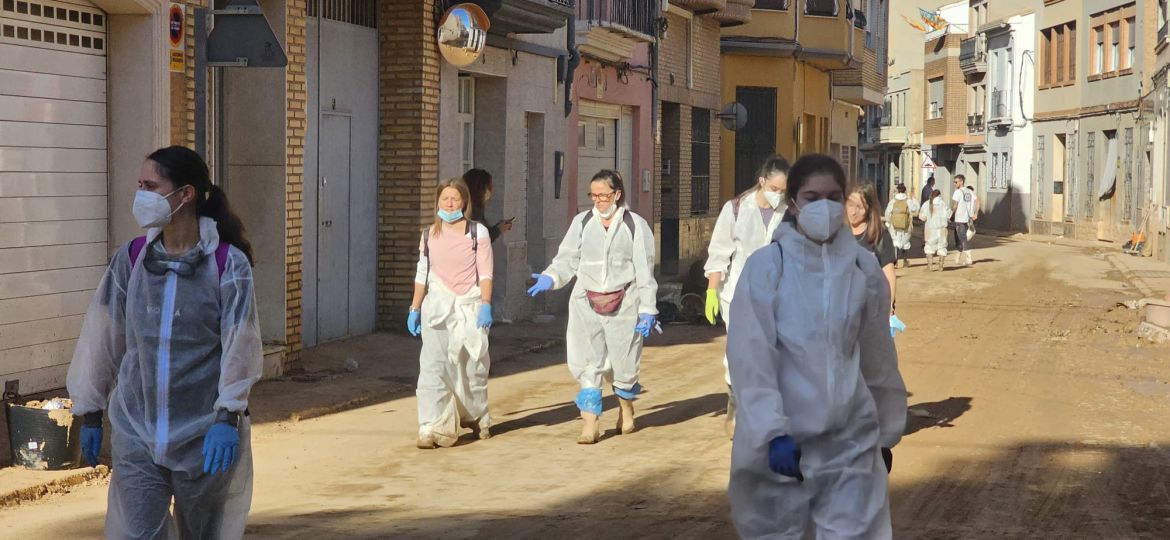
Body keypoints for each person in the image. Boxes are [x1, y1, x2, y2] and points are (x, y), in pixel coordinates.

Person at [67, 146, 261, 539]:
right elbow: (102, 336)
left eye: (151, 186)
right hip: (136, 430)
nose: (141, 195)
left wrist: (227, 414)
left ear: (186, 194)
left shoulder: (226, 264)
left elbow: (240, 343)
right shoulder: (132, 259)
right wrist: (90, 410)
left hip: (205, 436)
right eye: (140, 185)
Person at [726, 153, 907, 539]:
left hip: (849, 438)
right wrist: (771, 431)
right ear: (793, 203)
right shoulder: (767, 268)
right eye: (812, 197)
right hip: (782, 439)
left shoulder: (862, 270)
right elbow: (751, 356)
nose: (824, 207)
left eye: (833, 196)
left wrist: (886, 431)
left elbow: (878, 356)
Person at [527, 170, 657, 444]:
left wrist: (647, 309)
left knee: (624, 362)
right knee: (588, 362)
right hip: (586, 302)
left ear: (617, 195)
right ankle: (590, 423)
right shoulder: (582, 222)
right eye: (594, 195)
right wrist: (551, 277)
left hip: (625, 303)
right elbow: (567, 258)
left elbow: (645, 270)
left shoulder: (635, 225)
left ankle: (626, 408)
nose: (598, 200)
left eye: (604, 195)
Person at [703, 155, 789, 440]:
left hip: (777, 296)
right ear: (762, 182)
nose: (778, 196)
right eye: (775, 189)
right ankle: (736, 403)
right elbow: (719, 251)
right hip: (737, 294)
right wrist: (711, 291)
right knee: (739, 354)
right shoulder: (736, 209)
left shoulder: (790, 212)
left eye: (783, 191)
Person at [408, 177, 495, 449]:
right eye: (444, 199)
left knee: (471, 367)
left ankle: (476, 415)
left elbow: (486, 272)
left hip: (468, 307)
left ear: (464, 202)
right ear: (437, 202)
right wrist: (414, 308)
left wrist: (486, 303)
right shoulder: (428, 234)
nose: (449, 203)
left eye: (455, 199)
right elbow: (423, 273)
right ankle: (431, 425)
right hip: (437, 308)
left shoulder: (477, 232)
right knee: (434, 367)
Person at [848, 182, 898, 318]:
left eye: (859, 207)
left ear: (869, 207)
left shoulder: (880, 236)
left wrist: (888, 309)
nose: (853, 212)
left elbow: (889, 276)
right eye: (850, 205)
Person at [463, 168, 513, 243]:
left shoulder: (473, 207)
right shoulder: (473, 210)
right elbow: (478, 241)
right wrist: (498, 229)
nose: (492, 189)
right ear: (480, 188)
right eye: (489, 185)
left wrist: (498, 227)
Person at [883, 183, 919, 269]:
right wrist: (913, 198)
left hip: (894, 226)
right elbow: (915, 208)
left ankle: (895, 262)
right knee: (905, 243)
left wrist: (889, 222)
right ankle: (905, 261)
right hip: (906, 226)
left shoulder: (893, 201)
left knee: (895, 243)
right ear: (905, 190)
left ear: (897, 190)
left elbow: (887, 213)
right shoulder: (908, 201)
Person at [919, 189, 951, 271]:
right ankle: (941, 266)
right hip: (942, 230)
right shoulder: (943, 204)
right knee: (942, 247)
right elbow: (949, 215)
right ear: (939, 195)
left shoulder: (926, 204)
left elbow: (922, 217)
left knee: (929, 247)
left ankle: (930, 266)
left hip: (930, 229)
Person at [951, 175, 977, 266]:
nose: (954, 183)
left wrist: (950, 215)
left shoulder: (957, 192)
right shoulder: (970, 191)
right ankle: (957, 258)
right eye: (954, 182)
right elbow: (978, 201)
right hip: (968, 219)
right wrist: (975, 213)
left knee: (963, 239)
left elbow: (955, 206)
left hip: (960, 219)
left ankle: (969, 259)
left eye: (956, 182)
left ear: (961, 182)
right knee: (960, 238)